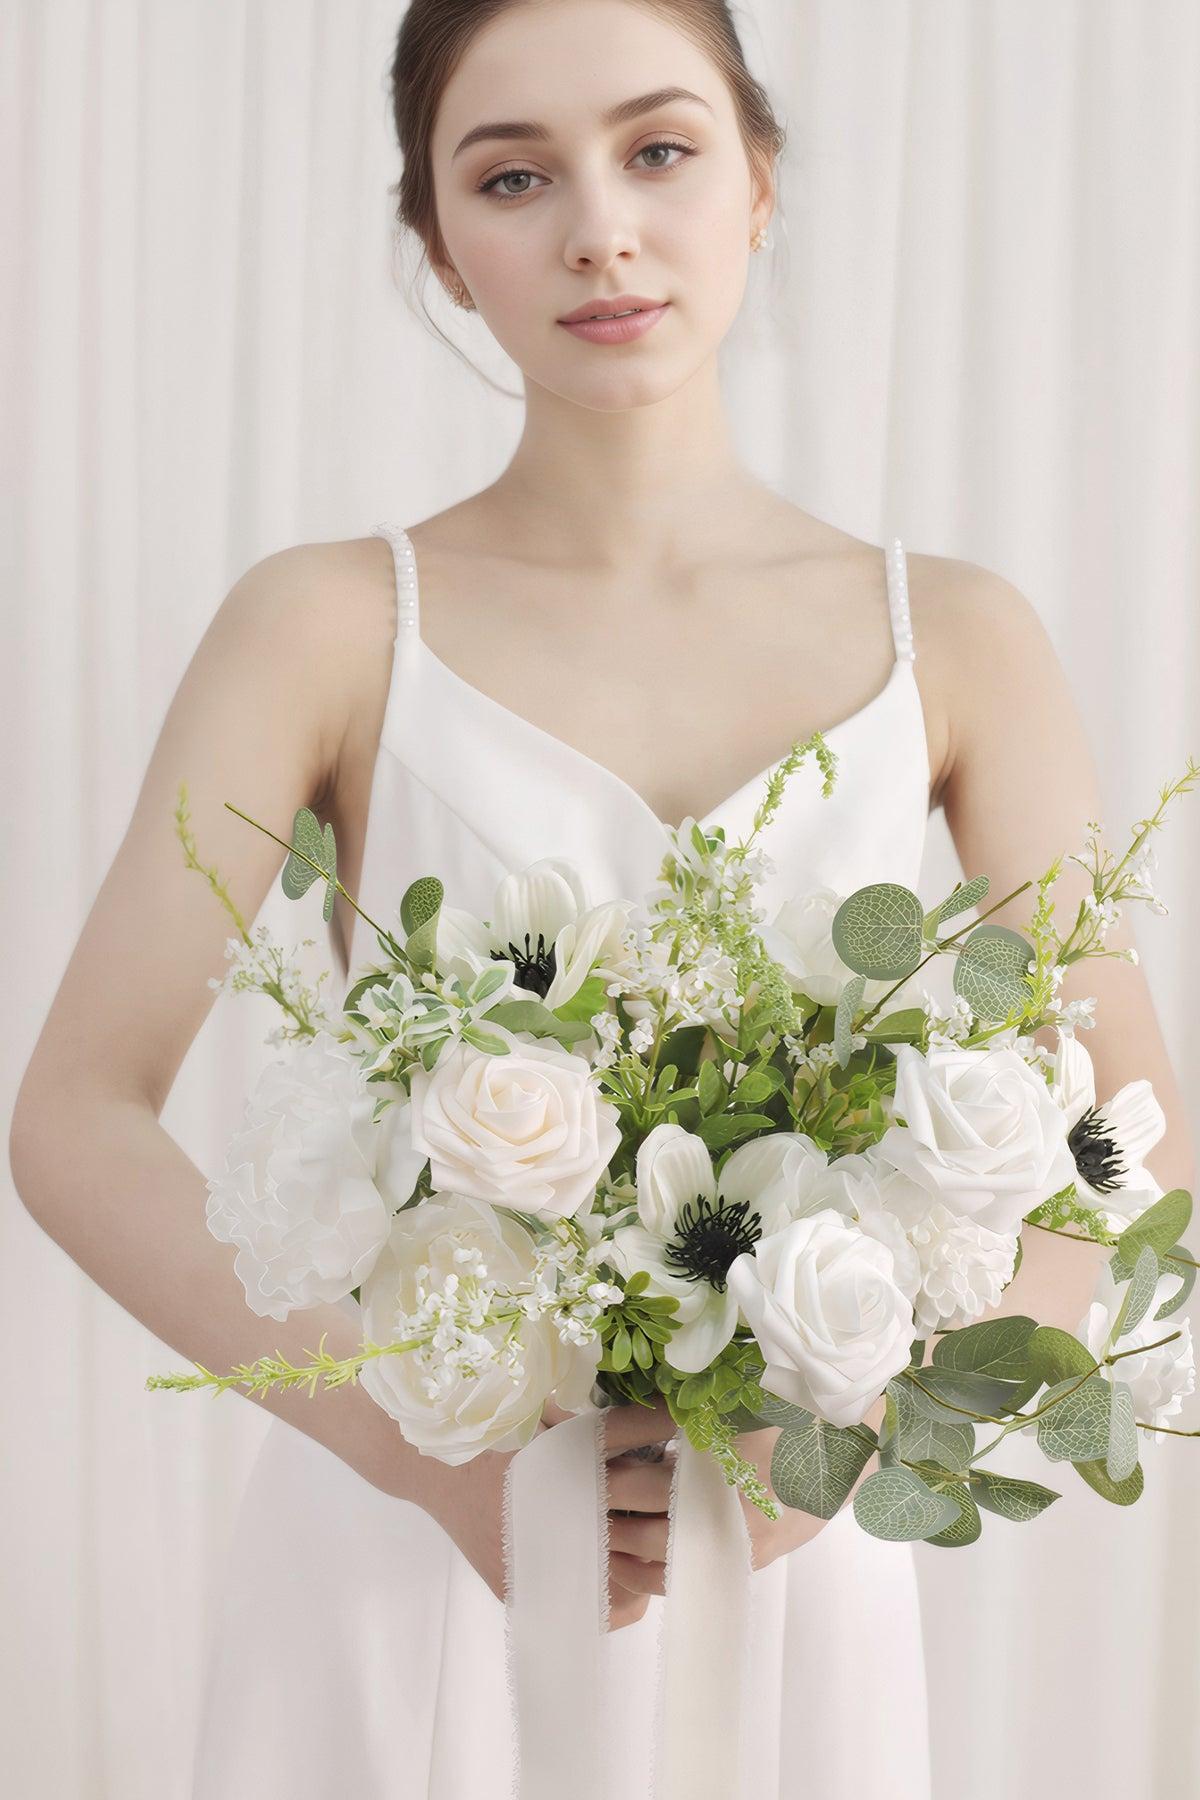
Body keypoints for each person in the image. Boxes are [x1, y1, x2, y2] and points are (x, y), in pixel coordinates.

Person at [10, 1, 1193, 1795]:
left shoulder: (950, 636)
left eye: (658, 149)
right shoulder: (326, 621)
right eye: (511, 176)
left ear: (759, 181)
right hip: (411, 1550)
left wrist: (847, 1451)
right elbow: (78, 1115)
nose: (600, 229)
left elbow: (1130, 1147)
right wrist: (422, 1455)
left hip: (798, 1548)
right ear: (437, 244)